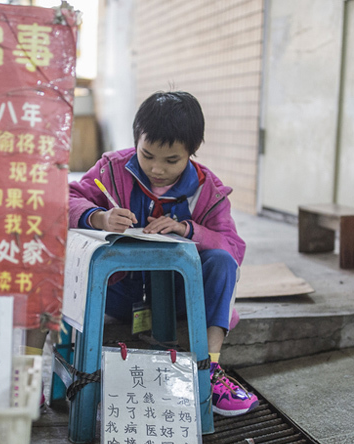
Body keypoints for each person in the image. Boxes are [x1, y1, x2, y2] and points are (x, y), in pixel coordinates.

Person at [68, 90, 258, 416]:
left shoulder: (205, 188)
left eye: (171, 160)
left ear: (192, 152)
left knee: (222, 263)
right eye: (147, 155)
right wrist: (98, 217)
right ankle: (87, 378)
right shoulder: (111, 170)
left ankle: (209, 369)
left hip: (178, 296)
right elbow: (67, 199)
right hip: (118, 292)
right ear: (136, 142)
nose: (157, 169)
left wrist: (188, 230)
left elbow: (234, 246)